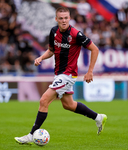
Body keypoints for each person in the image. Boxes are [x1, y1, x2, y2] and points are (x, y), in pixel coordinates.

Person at [14, 7, 107, 145]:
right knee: (68, 105)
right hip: (59, 74)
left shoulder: (76, 34)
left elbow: (95, 49)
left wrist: (90, 71)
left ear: (69, 18)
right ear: (56, 19)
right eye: (61, 18)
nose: (64, 21)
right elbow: (51, 50)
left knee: (44, 100)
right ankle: (98, 117)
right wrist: (41, 58)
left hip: (68, 74)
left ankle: (31, 135)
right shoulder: (54, 31)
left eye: (66, 18)